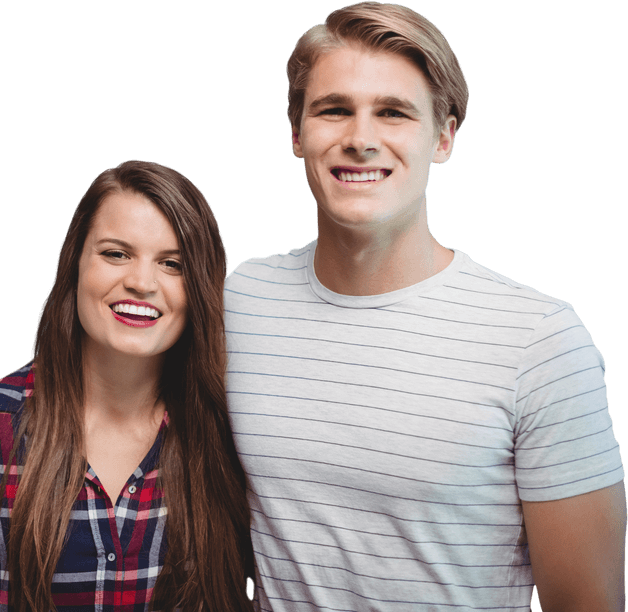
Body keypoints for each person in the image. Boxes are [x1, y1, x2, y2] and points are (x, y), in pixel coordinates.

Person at [225, 3, 625, 610]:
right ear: (296, 134)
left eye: (393, 112)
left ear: (443, 137)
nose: (360, 139)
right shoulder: (240, 301)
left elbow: (586, 601)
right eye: (334, 110)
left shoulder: (540, 340)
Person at [0, 160, 253, 611]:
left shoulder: (234, 439)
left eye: (172, 264)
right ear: (75, 265)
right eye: (116, 254)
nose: (141, 282)